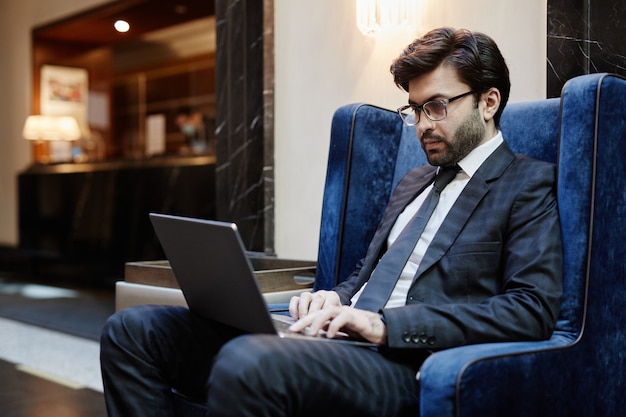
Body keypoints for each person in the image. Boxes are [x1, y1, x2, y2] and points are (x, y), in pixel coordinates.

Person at [100, 27, 562, 417]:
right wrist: (330, 298)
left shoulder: (526, 183)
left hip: (403, 361)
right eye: (415, 109)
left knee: (248, 362)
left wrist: (386, 326)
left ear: (488, 101)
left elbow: (530, 309)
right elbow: (365, 278)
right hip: (341, 341)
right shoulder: (415, 182)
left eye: (437, 106)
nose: (422, 124)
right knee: (133, 332)